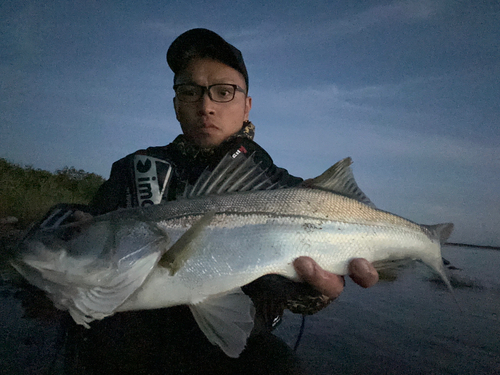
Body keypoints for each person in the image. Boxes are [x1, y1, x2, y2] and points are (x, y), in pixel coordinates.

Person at [36, 28, 379, 374]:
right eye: (189, 92)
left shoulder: (285, 188)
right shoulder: (131, 170)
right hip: (131, 346)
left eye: (223, 92)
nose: (206, 106)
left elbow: (306, 284)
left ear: (246, 106)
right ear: (175, 105)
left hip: (237, 351)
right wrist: (59, 229)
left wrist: (314, 294)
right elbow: (84, 226)